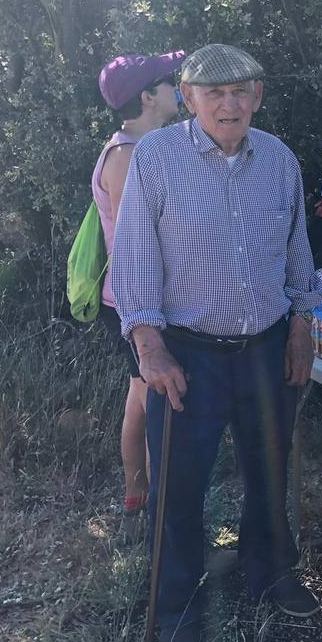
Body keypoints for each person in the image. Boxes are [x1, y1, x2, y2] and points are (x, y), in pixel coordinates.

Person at [112, 44, 322, 642]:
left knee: (270, 469)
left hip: (265, 349)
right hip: (187, 354)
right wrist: (148, 345)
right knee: (178, 488)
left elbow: (296, 250)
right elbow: (133, 257)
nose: (230, 104)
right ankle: (176, 606)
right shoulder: (154, 157)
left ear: (258, 95)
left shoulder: (280, 159)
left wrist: (301, 325)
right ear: (188, 96)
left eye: (242, 92)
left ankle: (272, 573)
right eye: (215, 93)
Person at [93, 50, 184, 540]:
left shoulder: (134, 149)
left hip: (130, 299)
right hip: (136, 302)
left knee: (141, 395)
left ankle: (139, 498)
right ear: (148, 97)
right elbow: (144, 237)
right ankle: (158, 516)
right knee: (153, 400)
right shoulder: (128, 156)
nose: (176, 89)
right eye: (168, 82)